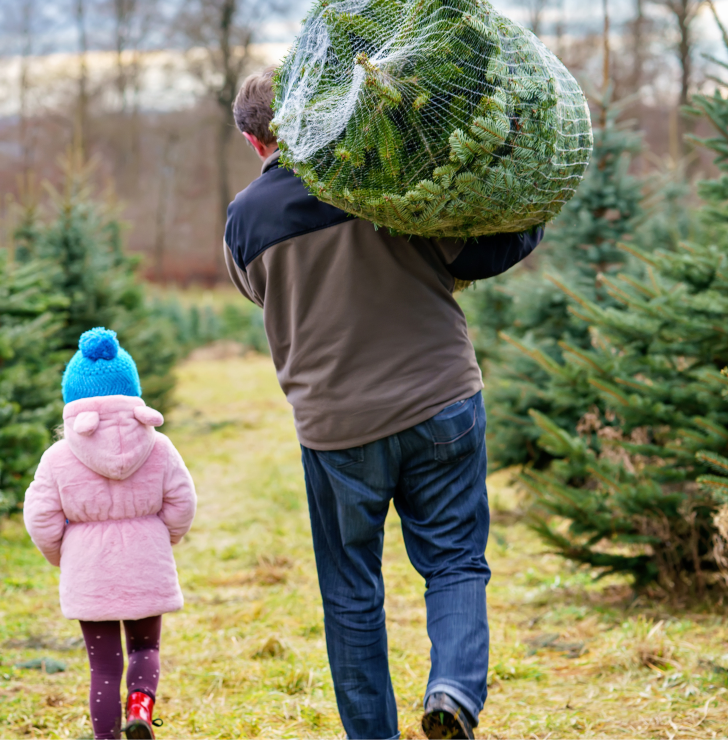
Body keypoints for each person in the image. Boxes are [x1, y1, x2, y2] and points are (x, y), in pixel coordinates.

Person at [223, 69, 544, 740]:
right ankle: (453, 691)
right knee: (454, 560)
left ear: (255, 142)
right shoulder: (380, 181)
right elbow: (480, 252)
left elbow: (264, 295)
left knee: (349, 592)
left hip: (337, 429)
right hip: (440, 401)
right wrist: (530, 212)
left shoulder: (244, 221)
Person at [23, 327, 198, 740]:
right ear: (132, 391)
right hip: (146, 560)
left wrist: (62, 555)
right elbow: (183, 502)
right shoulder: (160, 447)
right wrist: (163, 538)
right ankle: (139, 708)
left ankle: (107, 738)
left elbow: (40, 517)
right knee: (145, 649)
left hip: (89, 567)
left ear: (72, 399)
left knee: (103, 665)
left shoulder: (58, 457)